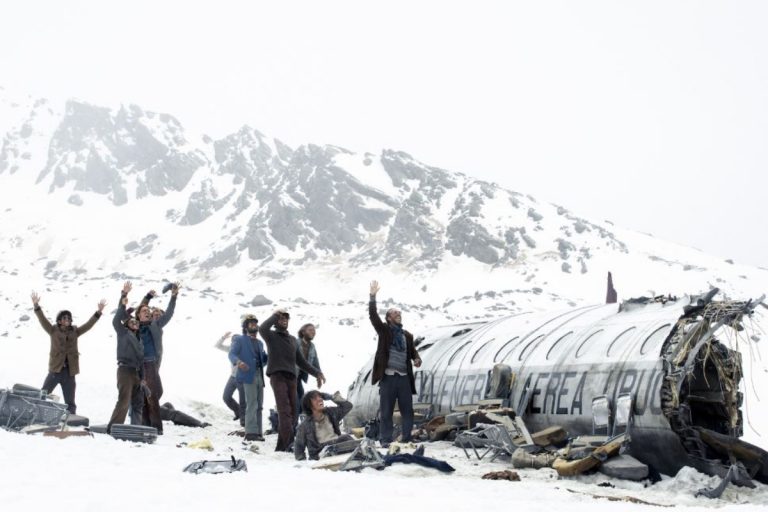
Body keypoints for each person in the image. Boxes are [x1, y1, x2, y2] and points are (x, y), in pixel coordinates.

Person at [259, 309, 325, 452]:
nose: (284, 320)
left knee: (294, 412)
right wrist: (275, 315)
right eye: (281, 318)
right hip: (278, 376)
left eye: (286, 319)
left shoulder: (292, 340)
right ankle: (289, 443)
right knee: (285, 411)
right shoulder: (271, 336)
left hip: (292, 378)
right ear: (276, 322)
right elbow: (262, 328)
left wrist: (317, 373)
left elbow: (301, 362)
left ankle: (282, 446)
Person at [30, 291, 106, 414]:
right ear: (59, 321)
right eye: (65, 317)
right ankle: (33, 413)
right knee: (43, 394)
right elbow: (42, 319)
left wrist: (98, 313)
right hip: (55, 370)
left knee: (70, 401)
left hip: (70, 372)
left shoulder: (75, 331)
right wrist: (36, 306)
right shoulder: (53, 330)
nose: (68, 319)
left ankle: (71, 420)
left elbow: (88, 325)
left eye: (69, 318)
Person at [368, 280, 422, 446]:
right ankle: (385, 440)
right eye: (394, 313)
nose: (398, 314)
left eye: (399, 312)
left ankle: (406, 438)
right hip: (388, 377)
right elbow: (373, 316)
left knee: (407, 410)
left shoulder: (407, 335)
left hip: (404, 378)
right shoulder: (384, 331)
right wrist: (372, 297)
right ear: (389, 318)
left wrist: (417, 358)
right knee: (386, 412)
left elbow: (412, 351)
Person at [131, 284, 179, 434]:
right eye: (144, 311)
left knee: (154, 393)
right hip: (140, 365)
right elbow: (140, 308)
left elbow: (169, 313)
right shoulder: (135, 326)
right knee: (149, 396)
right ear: (139, 315)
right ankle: (155, 427)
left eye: (148, 311)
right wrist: (147, 297)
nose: (147, 312)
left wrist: (174, 296)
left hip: (151, 363)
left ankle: (151, 425)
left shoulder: (155, 324)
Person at [107, 281, 146, 433]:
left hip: (136, 372)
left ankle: (136, 428)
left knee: (137, 403)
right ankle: (113, 428)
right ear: (127, 324)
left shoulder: (139, 340)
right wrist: (124, 296)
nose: (135, 323)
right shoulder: (123, 333)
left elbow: (141, 360)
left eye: (137, 321)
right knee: (124, 401)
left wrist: (142, 377)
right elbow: (117, 319)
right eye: (132, 321)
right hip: (125, 370)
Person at [229, 314, 268, 441]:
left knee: (260, 405)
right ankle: (250, 433)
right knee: (251, 403)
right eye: (250, 323)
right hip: (247, 376)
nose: (253, 325)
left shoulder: (260, 343)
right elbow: (232, 354)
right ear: (245, 326)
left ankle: (258, 432)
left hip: (259, 375)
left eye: (255, 323)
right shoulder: (240, 340)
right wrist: (239, 363)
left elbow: (263, 360)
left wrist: (269, 356)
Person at [294, 390, 354, 460]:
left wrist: (332, 397)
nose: (320, 399)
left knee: (348, 439)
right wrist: (303, 464)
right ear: (308, 404)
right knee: (346, 438)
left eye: (320, 397)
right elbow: (299, 447)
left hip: (337, 447)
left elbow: (348, 406)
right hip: (320, 454)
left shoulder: (331, 413)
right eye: (315, 398)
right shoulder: (304, 425)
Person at [215, 330, 245, 424]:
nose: (234, 342)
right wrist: (224, 337)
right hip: (232, 377)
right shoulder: (231, 349)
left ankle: (244, 421)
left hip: (243, 378)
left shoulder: (245, 350)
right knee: (226, 397)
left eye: (237, 340)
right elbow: (217, 346)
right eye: (233, 341)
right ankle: (238, 412)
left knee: (243, 401)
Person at [295, 323, 321, 422]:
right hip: (292, 375)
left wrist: (319, 375)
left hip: (300, 377)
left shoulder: (312, 346)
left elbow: (315, 362)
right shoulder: (296, 343)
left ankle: (302, 421)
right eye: (310, 330)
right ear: (303, 332)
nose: (313, 332)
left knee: (302, 398)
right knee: (296, 400)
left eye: (314, 330)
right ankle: (294, 424)